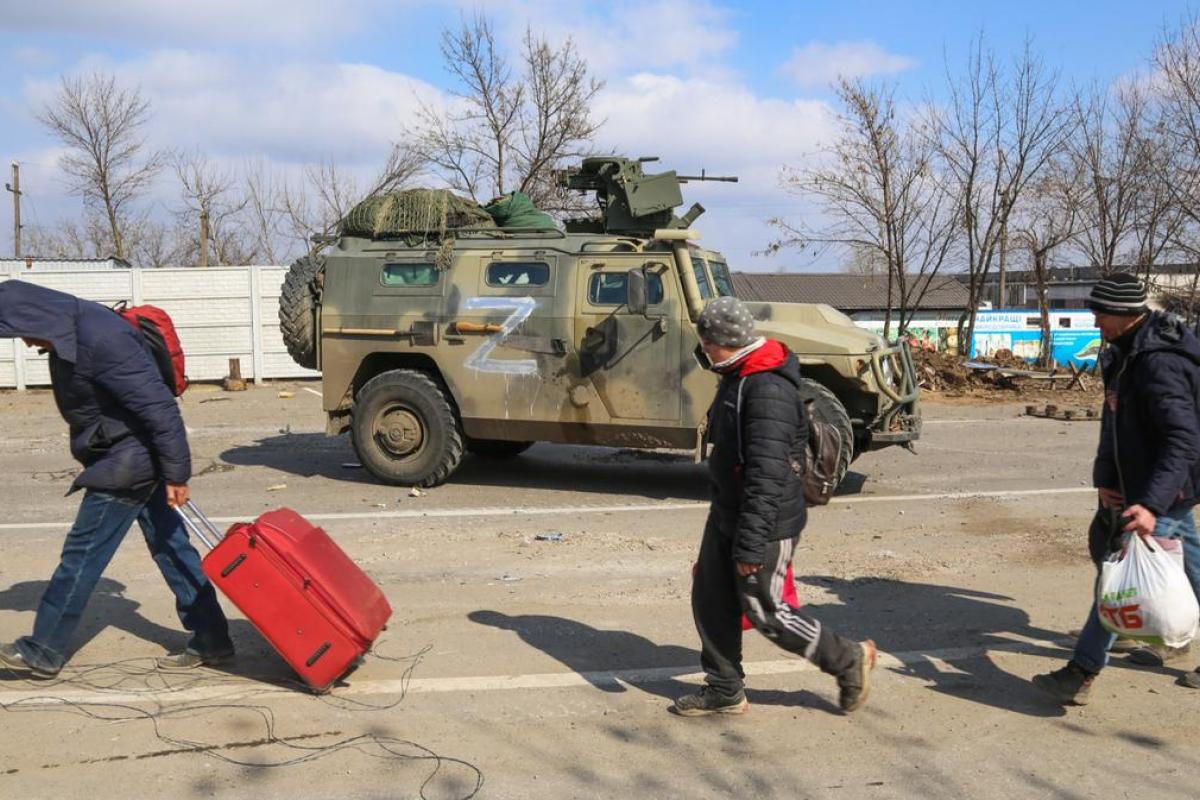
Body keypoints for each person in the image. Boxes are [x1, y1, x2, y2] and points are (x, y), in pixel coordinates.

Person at [0, 281, 233, 679]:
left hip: (129, 462)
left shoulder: (100, 338)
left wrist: (177, 473)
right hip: (127, 454)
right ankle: (212, 637)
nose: (22, 342)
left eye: (20, 331)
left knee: (83, 553)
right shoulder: (68, 332)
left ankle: (44, 649)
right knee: (171, 545)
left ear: (34, 317)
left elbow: (160, 408)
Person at [672, 296, 876, 717]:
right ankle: (725, 688)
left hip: (764, 521)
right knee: (711, 596)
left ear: (720, 341)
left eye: (705, 341)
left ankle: (848, 658)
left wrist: (750, 545)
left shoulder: (765, 388)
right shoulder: (739, 373)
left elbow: (767, 476)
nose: (703, 349)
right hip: (730, 512)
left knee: (769, 612)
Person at [1033, 273, 1200, 704]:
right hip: (1143, 484)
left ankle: (1081, 671)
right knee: (1186, 567)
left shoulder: (1159, 362)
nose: (1094, 321)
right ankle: (1155, 631)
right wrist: (1106, 479)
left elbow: (1183, 439)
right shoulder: (1122, 353)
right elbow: (1114, 422)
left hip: (1164, 487)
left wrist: (1148, 504)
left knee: (1118, 570)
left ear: (1127, 315)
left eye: (1100, 313)